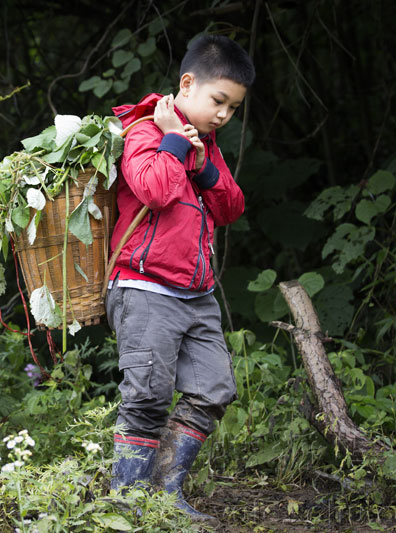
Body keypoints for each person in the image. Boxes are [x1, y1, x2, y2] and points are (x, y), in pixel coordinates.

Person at [105, 34, 255, 521]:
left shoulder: (206, 145)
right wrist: (173, 139)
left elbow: (231, 206)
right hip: (145, 286)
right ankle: (128, 506)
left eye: (233, 107)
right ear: (187, 84)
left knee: (214, 388)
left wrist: (203, 160)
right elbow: (155, 190)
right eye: (218, 101)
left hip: (197, 293)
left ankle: (164, 495)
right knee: (147, 396)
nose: (224, 115)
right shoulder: (145, 131)